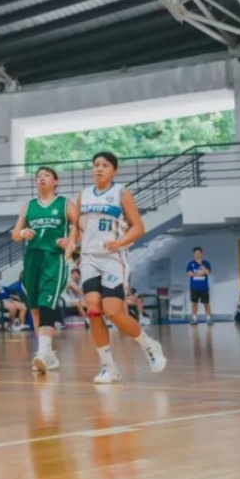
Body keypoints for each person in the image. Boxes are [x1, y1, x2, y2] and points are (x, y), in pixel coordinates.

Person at [73, 151, 165, 384]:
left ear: (114, 170)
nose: (99, 168)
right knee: (93, 311)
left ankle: (149, 345)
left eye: (104, 165)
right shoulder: (82, 196)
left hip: (113, 257)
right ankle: (108, 366)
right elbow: (76, 228)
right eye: (95, 165)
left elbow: (138, 227)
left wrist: (119, 242)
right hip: (89, 259)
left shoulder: (121, 193)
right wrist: (68, 242)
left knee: (113, 311)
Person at [11, 166, 78, 374]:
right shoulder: (29, 205)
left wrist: (70, 241)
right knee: (35, 307)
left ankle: (42, 353)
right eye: (38, 176)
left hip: (53, 258)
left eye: (46, 175)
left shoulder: (65, 203)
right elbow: (15, 234)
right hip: (32, 258)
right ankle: (46, 353)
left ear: (55, 181)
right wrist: (23, 232)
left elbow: (80, 225)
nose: (41, 178)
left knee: (46, 303)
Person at [186, 247, 212, 326]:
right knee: (194, 303)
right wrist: (199, 273)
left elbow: (208, 272)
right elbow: (189, 274)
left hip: (204, 287)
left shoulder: (206, 263)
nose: (197, 254)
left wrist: (201, 266)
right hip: (194, 287)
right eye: (195, 253)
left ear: (201, 253)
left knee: (206, 303)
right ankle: (194, 319)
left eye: (198, 253)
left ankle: (208, 319)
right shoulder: (190, 263)